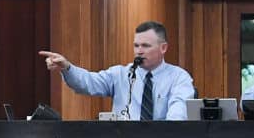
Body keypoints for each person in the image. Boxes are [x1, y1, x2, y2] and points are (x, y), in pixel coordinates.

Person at [39, 20, 196, 120]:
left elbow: (178, 115)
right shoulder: (120, 74)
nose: (139, 51)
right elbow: (88, 83)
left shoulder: (179, 78)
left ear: (163, 48)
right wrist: (67, 67)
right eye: (136, 45)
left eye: (145, 46)